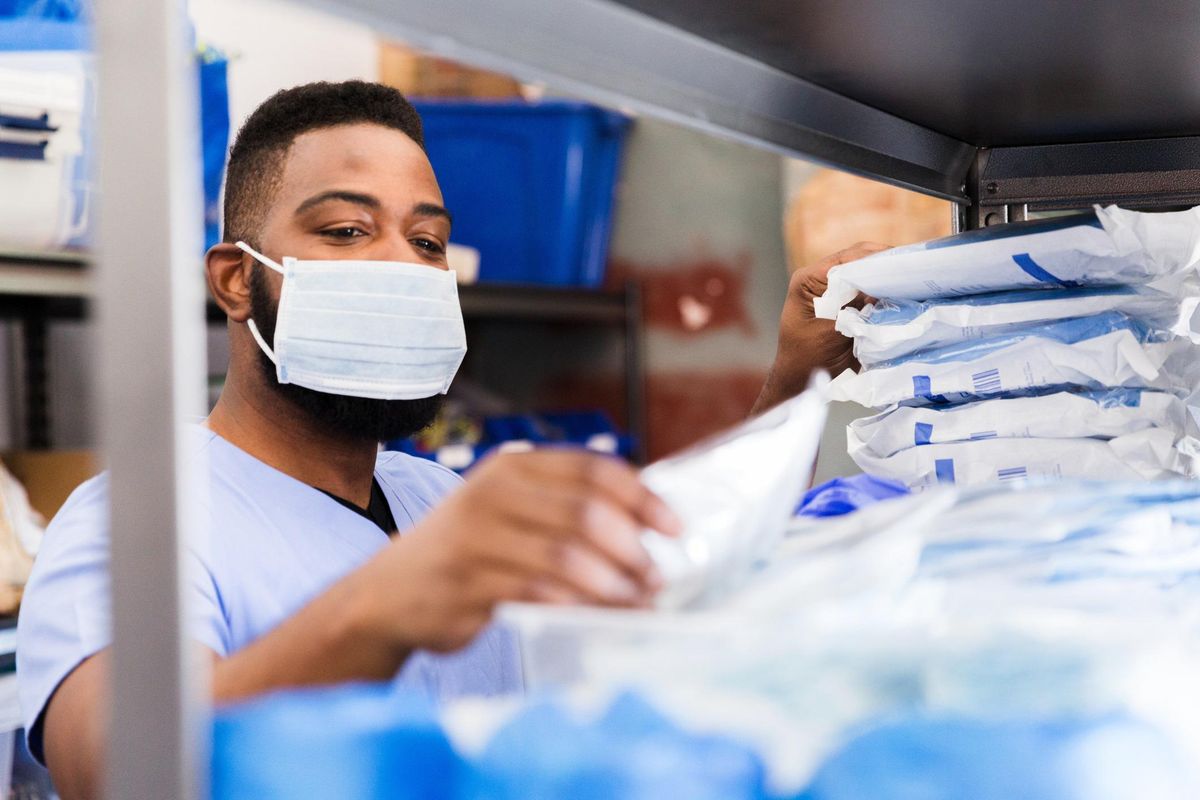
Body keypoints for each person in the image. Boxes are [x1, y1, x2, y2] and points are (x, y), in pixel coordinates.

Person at [16, 80, 879, 800]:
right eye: (347, 231)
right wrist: (389, 600)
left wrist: (796, 380)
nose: (400, 264)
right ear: (239, 280)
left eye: (427, 241)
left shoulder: (434, 497)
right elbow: (116, 769)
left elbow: (683, 575)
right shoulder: (134, 523)